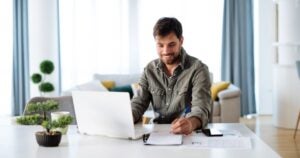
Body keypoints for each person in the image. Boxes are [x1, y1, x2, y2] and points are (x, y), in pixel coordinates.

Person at [131, 17, 212, 135]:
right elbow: (138, 103)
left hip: (189, 136)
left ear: (181, 40)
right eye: (160, 45)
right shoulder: (149, 70)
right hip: (157, 135)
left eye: (171, 44)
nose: (165, 51)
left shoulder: (198, 69)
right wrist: (127, 118)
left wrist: (190, 123)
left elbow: (201, 109)